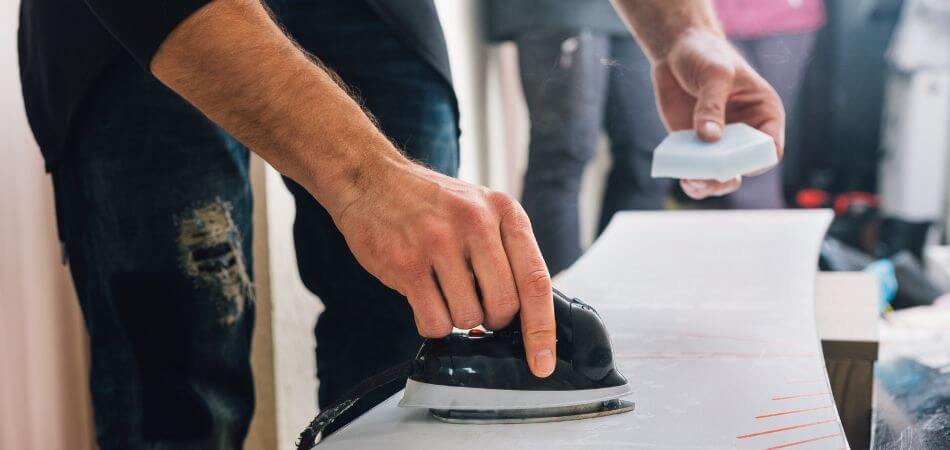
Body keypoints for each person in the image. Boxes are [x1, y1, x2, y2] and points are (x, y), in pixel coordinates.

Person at [18, 0, 784, 447]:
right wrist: (360, 177)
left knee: (410, 321)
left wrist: (681, 28)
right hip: (140, 20)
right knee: (178, 358)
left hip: (365, 10)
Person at [487, 0, 671, 275]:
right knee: (563, 154)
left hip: (642, 11)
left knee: (649, 156)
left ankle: (618, 290)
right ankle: (554, 307)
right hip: (561, 9)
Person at [712, 0, 825, 209]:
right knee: (742, 136)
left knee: (763, 137)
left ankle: (762, 223)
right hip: (712, 16)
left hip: (786, 15)